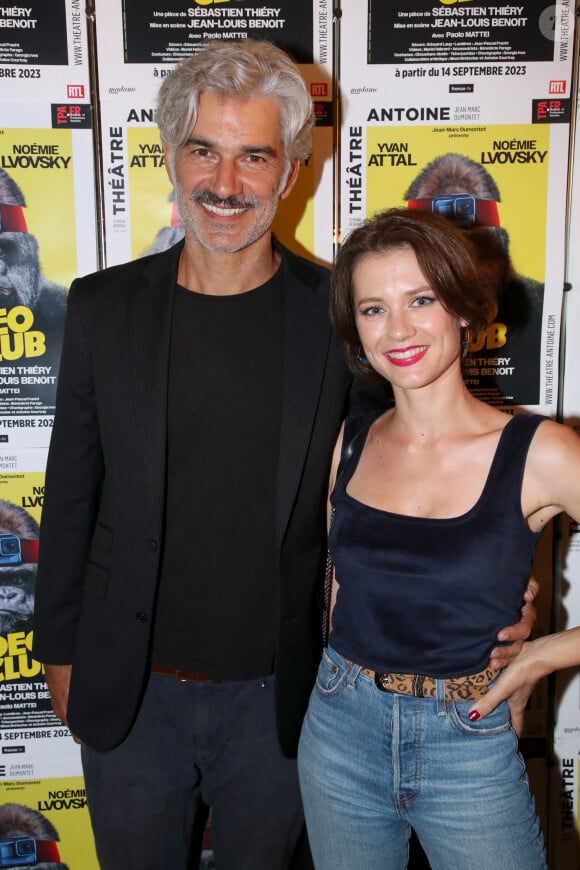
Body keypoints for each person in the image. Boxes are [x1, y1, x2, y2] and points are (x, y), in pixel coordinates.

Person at [31, 41, 535, 870]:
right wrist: (60, 653)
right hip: (127, 688)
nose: (225, 185)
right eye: (204, 150)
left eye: (253, 156)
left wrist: (507, 588)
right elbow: (72, 491)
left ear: (291, 172)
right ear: (170, 157)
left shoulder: (340, 317)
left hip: (291, 701)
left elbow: (413, 467)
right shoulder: (102, 307)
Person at [297, 207, 580, 869]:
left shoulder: (539, 452)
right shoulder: (353, 440)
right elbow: (343, 586)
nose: (398, 329)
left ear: (459, 307)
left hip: (468, 738)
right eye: (373, 309)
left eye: (420, 299)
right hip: (340, 726)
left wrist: (539, 657)